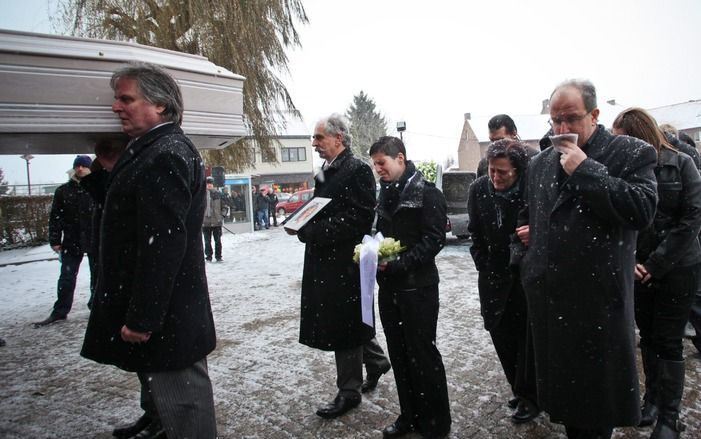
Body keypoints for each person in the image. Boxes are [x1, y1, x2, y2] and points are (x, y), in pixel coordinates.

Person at [80, 62, 217, 439]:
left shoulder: (165, 154)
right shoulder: (149, 150)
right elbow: (127, 213)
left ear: (159, 105)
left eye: (126, 98)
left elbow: (163, 245)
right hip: (165, 309)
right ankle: (157, 425)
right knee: (165, 391)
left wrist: (143, 317)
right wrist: (107, 170)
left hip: (168, 313)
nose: (115, 107)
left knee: (186, 407)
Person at [516, 79, 658, 438]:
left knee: (595, 413)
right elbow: (530, 218)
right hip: (552, 305)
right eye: (554, 120)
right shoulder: (541, 163)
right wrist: (528, 264)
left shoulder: (629, 152)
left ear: (594, 115)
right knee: (566, 409)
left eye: (571, 119)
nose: (562, 130)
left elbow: (642, 209)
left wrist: (586, 170)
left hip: (598, 308)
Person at [287, 113, 390, 419]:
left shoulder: (356, 170)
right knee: (346, 319)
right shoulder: (325, 171)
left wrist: (310, 232)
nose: (314, 143)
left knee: (344, 324)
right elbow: (316, 207)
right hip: (325, 261)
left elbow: (357, 219)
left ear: (338, 139)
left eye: (319, 137)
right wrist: (298, 222)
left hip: (345, 262)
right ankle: (376, 361)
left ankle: (349, 392)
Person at [612, 107, 701, 438]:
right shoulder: (623, 169)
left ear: (635, 135)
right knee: (647, 337)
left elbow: (691, 220)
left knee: (668, 341)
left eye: (620, 138)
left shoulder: (681, 164)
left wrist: (655, 263)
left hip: (678, 268)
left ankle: (669, 415)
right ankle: (651, 401)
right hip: (638, 269)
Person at [370, 136, 451, 439]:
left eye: (382, 163)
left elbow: (434, 240)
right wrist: (370, 253)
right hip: (390, 289)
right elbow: (379, 233)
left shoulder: (426, 193)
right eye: (375, 164)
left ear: (400, 159)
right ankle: (409, 415)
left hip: (418, 289)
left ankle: (436, 424)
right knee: (400, 355)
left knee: (423, 356)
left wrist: (399, 264)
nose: (378, 169)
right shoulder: (384, 195)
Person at [467, 139, 539, 424]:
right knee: (501, 336)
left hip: (524, 278)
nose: (496, 177)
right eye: (492, 171)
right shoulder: (478, 190)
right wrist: (483, 263)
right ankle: (519, 387)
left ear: (518, 171)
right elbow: (475, 232)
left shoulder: (532, 192)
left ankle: (530, 396)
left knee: (526, 340)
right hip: (493, 277)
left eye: (503, 172)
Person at [34, 155, 96, 327]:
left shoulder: (97, 189)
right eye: (78, 166)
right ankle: (60, 311)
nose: (81, 169)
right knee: (67, 278)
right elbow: (56, 217)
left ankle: (96, 307)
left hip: (94, 239)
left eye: (84, 166)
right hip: (72, 240)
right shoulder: (63, 191)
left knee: (97, 276)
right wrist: (55, 240)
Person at [203, 176, 224, 262]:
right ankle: (208, 256)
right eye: (208, 184)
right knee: (207, 242)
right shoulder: (202, 195)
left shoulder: (218, 194)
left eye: (211, 184)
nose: (209, 185)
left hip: (217, 221)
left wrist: (222, 216)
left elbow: (224, 206)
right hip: (205, 222)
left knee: (217, 241)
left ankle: (218, 256)